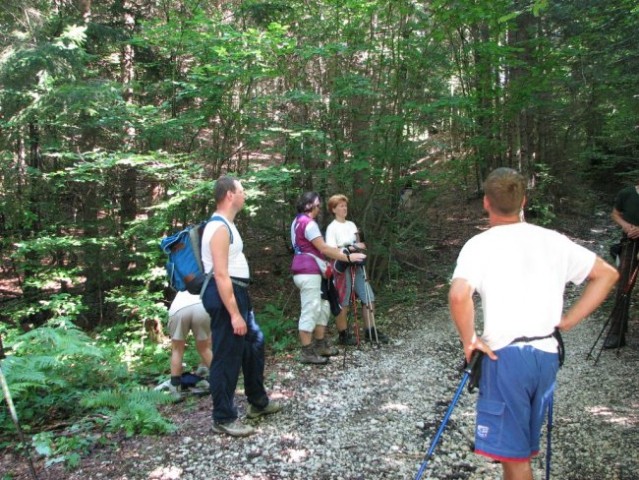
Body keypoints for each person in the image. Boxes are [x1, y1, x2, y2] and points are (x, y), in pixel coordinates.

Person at [448, 167, 618, 480]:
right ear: (524, 201)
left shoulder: (479, 245)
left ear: (486, 202)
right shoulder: (553, 241)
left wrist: (469, 339)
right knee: (518, 452)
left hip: (506, 357)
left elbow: (459, 295)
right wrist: (568, 320)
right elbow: (607, 274)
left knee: (515, 459)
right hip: (546, 356)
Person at [201, 175, 281, 437]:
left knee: (254, 344)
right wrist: (235, 314)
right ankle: (223, 417)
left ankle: (258, 402)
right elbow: (220, 274)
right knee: (226, 356)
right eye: (242, 190)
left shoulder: (228, 225)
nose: (245, 194)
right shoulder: (219, 228)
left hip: (238, 293)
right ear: (229, 195)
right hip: (226, 295)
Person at [291, 191, 366, 364]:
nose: (319, 209)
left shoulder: (297, 222)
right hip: (308, 271)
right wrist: (348, 257)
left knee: (323, 306)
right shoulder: (308, 224)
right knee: (311, 309)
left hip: (312, 271)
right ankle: (307, 352)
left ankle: (320, 344)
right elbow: (324, 249)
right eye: (317, 205)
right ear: (310, 206)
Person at [325, 194, 388, 344]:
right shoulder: (331, 228)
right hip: (341, 266)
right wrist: (351, 248)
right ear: (333, 209)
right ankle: (343, 335)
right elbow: (332, 250)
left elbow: (361, 244)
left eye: (345, 205)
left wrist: (357, 248)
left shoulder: (351, 225)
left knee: (368, 296)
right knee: (343, 300)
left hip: (356, 263)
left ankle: (370, 330)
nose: (344, 208)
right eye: (340, 206)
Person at [605, 181, 639, 348]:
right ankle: (616, 334)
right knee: (623, 287)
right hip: (630, 244)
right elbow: (615, 214)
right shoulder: (627, 193)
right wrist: (626, 226)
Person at [167, 291, 212, 400]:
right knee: (204, 348)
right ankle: (219, 382)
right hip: (201, 306)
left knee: (177, 350)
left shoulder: (182, 286)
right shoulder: (206, 280)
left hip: (178, 309)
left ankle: (175, 390)